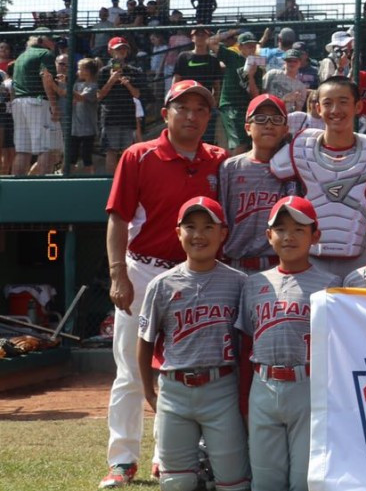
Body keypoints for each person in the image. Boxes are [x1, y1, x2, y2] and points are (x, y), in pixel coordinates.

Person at [101, 80, 227, 489]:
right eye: (183, 107)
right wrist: (118, 274)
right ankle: (122, 460)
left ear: (209, 116)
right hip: (145, 270)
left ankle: (166, 457)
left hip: (196, 276)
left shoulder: (220, 160)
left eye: (201, 109)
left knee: (182, 370)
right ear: (166, 112)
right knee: (130, 371)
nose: (192, 115)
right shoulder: (139, 155)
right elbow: (118, 218)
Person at [136, 197, 250, 491]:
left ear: (222, 233)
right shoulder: (161, 284)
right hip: (174, 388)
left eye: (208, 227)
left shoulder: (239, 283)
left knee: (232, 480)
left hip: (221, 386)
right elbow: (145, 340)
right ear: (178, 232)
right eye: (190, 227)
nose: (199, 235)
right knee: (176, 480)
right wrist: (149, 391)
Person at [237, 196, 341, 491]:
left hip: (308, 386)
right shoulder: (254, 284)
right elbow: (246, 346)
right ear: (269, 236)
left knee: (304, 481)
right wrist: (245, 399)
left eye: (299, 229)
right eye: (280, 229)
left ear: (315, 236)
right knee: (266, 480)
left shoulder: (330, 284)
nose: (289, 236)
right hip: (263, 384)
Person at [270, 76, 366, 278]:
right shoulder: (299, 149)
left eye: (343, 102)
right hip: (308, 259)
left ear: (358, 106)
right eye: (328, 103)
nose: (335, 110)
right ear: (317, 108)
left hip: (359, 258)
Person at [218, 94, 298, 274]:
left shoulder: (294, 169)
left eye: (276, 120)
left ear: (285, 129)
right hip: (236, 265)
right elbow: (221, 219)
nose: (269, 125)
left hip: (279, 265)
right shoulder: (230, 168)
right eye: (260, 119)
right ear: (247, 127)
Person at [9, 30, 58, 176]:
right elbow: (46, 80)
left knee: (23, 150)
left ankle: (18, 187)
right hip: (37, 102)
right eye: (51, 39)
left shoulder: (21, 56)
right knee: (45, 148)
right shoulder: (45, 54)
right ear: (41, 41)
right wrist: (54, 105)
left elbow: (13, 84)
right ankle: (44, 188)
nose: (53, 43)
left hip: (19, 103)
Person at [98, 37, 148, 173]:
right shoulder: (103, 71)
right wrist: (112, 80)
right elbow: (99, 95)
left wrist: (127, 84)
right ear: (110, 51)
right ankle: (110, 184)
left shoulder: (135, 71)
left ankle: (126, 181)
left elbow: (137, 94)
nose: (121, 51)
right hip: (110, 116)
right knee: (111, 151)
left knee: (128, 152)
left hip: (128, 116)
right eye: (118, 49)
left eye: (124, 48)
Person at [216, 31, 263, 154]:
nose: (252, 49)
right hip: (230, 104)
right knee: (239, 143)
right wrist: (232, 31)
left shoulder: (257, 67)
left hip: (247, 108)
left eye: (253, 46)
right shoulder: (232, 57)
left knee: (248, 143)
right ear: (240, 47)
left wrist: (251, 76)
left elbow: (256, 96)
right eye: (248, 46)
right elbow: (210, 42)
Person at [70, 57, 100, 174]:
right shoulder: (77, 85)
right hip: (75, 128)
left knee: (86, 156)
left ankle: (91, 178)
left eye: (80, 69)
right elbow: (73, 99)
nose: (78, 72)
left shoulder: (94, 86)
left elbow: (81, 98)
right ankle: (67, 180)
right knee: (72, 157)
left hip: (88, 128)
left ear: (87, 71)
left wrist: (66, 85)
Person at [263, 49, 311, 113]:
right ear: (284, 62)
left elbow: (297, 111)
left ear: (300, 63)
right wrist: (285, 99)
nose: (292, 63)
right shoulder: (272, 74)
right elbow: (261, 93)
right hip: (266, 110)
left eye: (295, 61)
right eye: (289, 61)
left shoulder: (301, 87)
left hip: (284, 117)